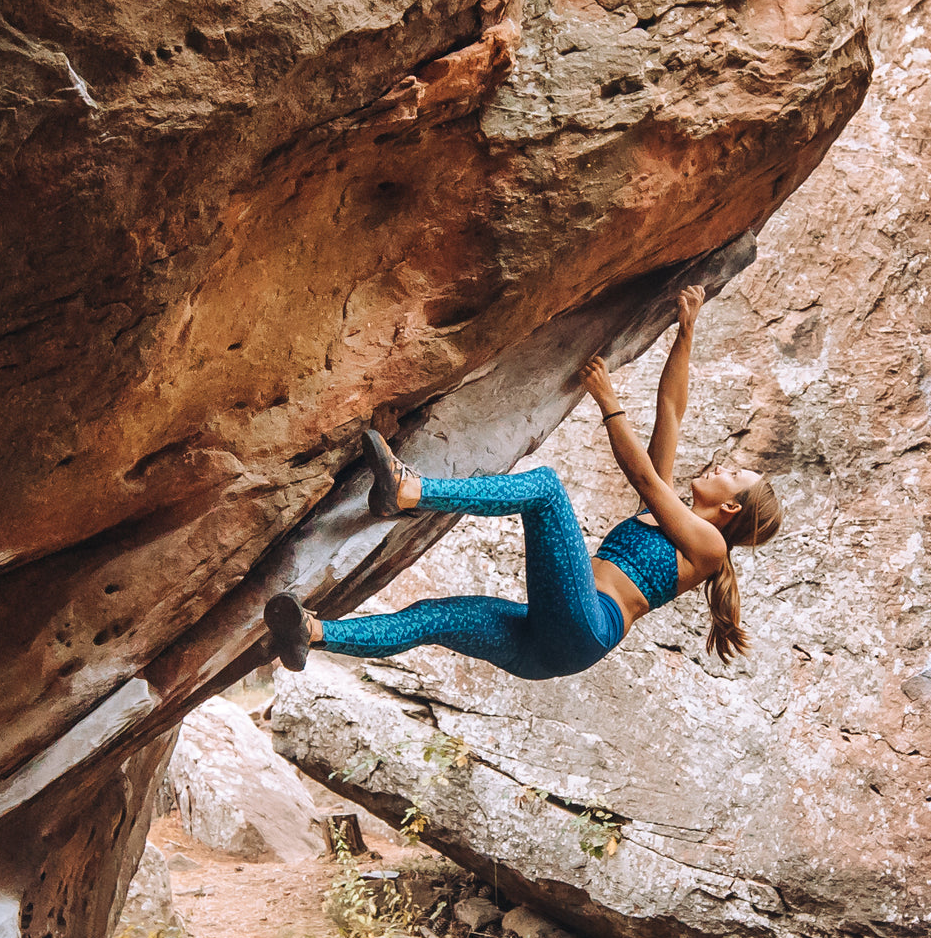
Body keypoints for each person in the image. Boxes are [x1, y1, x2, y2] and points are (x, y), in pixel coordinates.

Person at [263, 285, 781, 677]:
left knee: (546, 491)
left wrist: (608, 401)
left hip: (586, 626)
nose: (720, 466)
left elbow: (645, 478)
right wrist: (687, 332)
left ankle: (407, 491)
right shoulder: (675, 516)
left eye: (733, 475)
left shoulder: (709, 546)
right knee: (431, 617)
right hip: (548, 638)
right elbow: (671, 410)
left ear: (732, 508)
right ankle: (312, 633)